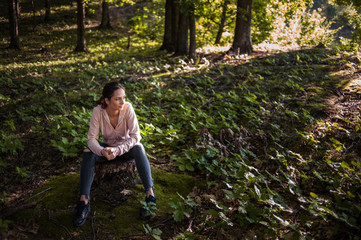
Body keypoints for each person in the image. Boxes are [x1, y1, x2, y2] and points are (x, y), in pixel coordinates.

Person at [73, 82, 156, 227]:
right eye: (118, 99)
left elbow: (136, 136)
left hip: (125, 150)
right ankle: (83, 202)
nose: (123, 102)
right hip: (106, 150)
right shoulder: (98, 111)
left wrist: (118, 150)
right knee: (88, 152)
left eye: (124, 97)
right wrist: (102, 151)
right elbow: (91, 139)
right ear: (107, 100)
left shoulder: (127, 108)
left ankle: (150, 195)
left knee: (139, 147)